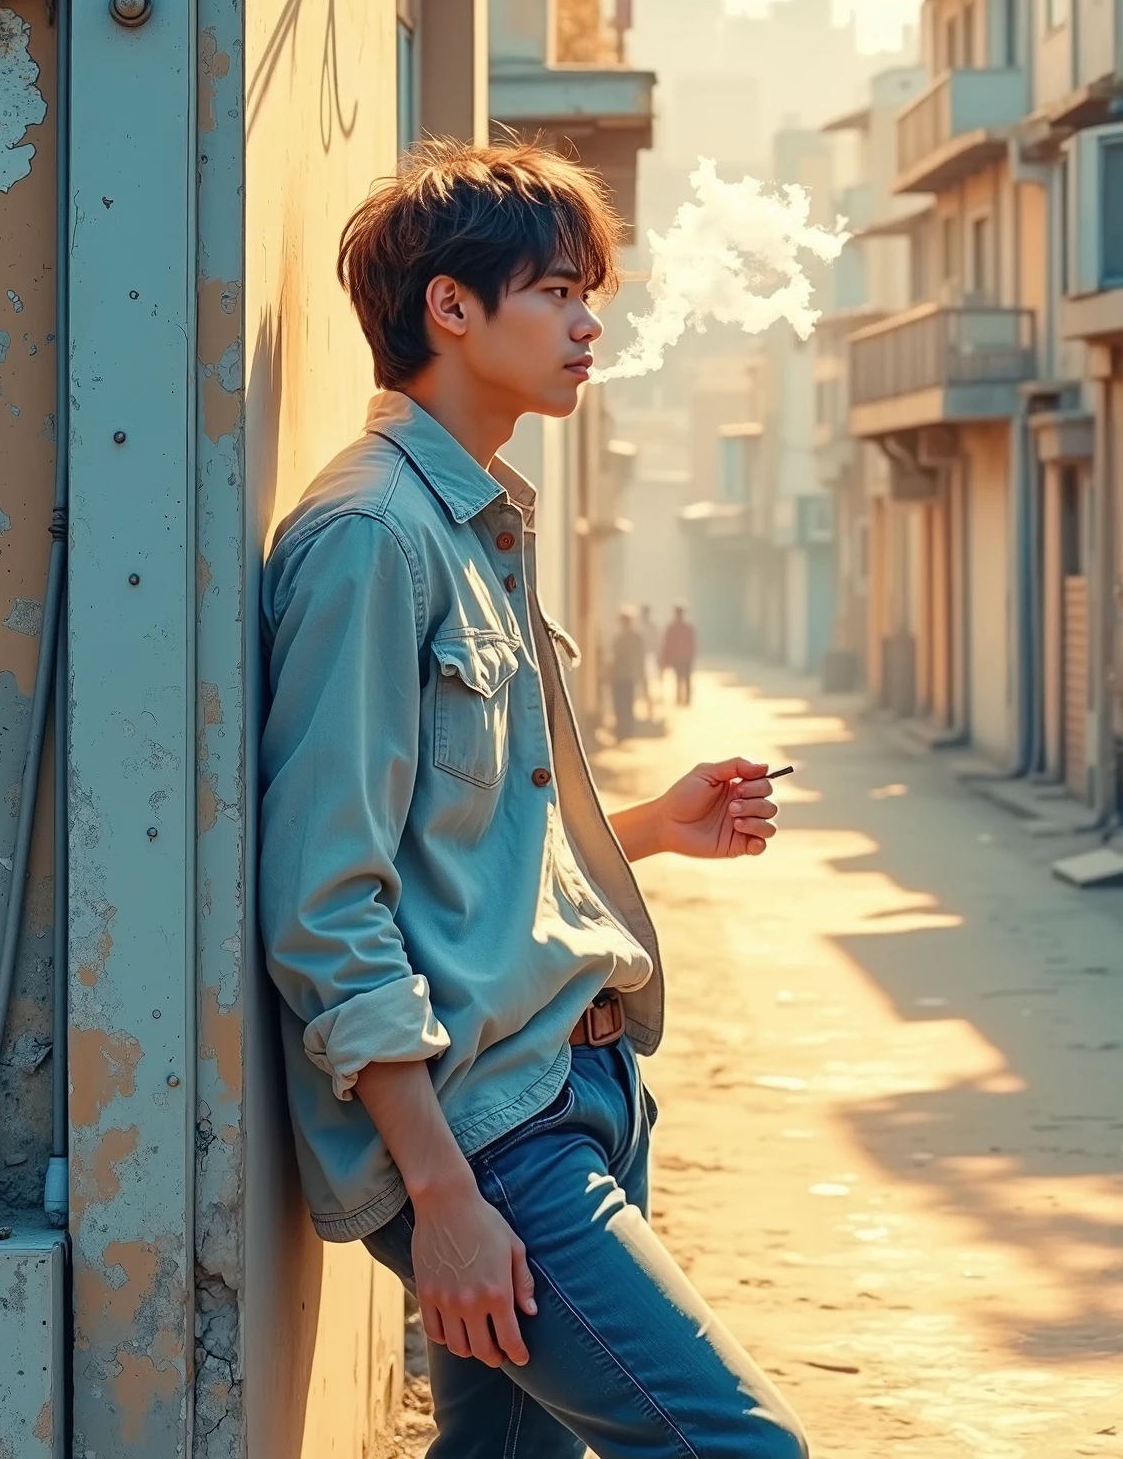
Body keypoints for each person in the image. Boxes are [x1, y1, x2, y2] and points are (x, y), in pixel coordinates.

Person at [258, 141, 806, 1459]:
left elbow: (463, 863)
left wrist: (658, 828)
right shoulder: (374, 540)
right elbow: (324, 900)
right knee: (744, 1448)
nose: (589, 322)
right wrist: (438, 1191)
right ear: (451, 307)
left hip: (576, 1086)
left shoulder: (470, 524)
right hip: (492, 1133)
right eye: (558, 290)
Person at [610, 606, 644, 741]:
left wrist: (641, 676)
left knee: (627, 704)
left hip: (627, 676)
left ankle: (627, 731)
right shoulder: (619, 638)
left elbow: (640, 659)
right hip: (620, 676)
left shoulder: (635, 638)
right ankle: (621, 731)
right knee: (620, 704)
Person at [661, 600, 696, 706]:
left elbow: (667, 644)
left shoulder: (672, 627)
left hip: (678, 658)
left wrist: (666, 658)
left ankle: (680, 698)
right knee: (685, 679)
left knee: (679, 679)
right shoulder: (688, 627)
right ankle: (686, 699)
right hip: (685, 658)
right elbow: (692, 643)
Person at [639, 603, 660, 720]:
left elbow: (655, 642)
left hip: (647, 657)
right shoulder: (640, 626)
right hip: (643, 657)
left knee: (646, 682)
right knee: (643, 683)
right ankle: (646, 707)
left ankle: (649, 708)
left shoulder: (649, 626)